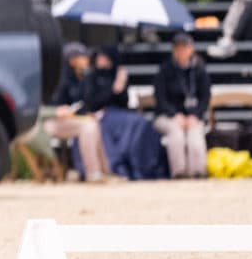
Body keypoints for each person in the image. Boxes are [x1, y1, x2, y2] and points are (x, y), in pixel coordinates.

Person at [84, 46, 164, 180]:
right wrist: (114, 88)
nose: (100, 59)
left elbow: (124, 102)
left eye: (103, 57)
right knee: (112, 127)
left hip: (119, 114)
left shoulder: (118, 73)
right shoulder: (92, 76)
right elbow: (92, 102)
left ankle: (142, 166)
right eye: (99, 57)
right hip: (100, 114)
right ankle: (116, 166)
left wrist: (121, 86)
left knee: (141, 123)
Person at [42, 42, 112, 182]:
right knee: (89, 126)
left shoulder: (81, 77)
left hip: (68, 120)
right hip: (48, 122)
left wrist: (85, 113)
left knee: (93, 123)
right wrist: (60, 110)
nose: (87, 59)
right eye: (83, 57)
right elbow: (53, 106)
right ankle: (93, 173)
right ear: (72, 60)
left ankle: (104, 172)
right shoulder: (58, 78)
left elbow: (83, 103)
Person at [152, 33, 212, 178]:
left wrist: (195, 115)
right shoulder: (165, 69)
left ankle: (198, 173)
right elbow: (160, 99)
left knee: (195, 135)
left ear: (191, 49)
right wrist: (174, 115)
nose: (181, 51)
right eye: (178, 48)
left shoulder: (199, 69)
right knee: (176, 134)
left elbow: (205, 98)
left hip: (192, 116)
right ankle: (179, 173)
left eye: (184, 47)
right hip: (167, 116)